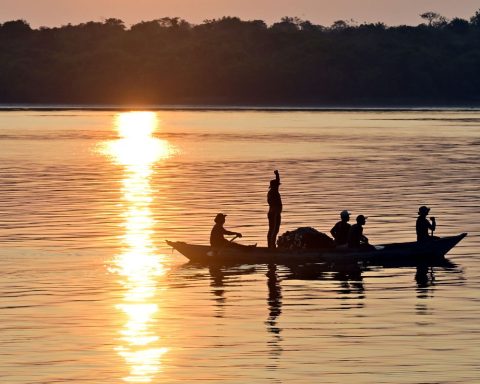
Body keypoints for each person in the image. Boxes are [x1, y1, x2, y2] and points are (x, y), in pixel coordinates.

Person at [267, 170, 282, 249]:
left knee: (274, 229)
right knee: (273, 229)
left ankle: (271, 245)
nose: (278, 186)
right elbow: (277, 181)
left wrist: (277, 175)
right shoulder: (273, 191)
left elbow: (277, 182)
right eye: (277, 185)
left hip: (274, 212)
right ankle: (271, 246)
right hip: (274, 213)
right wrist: (277, 174)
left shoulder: (272, 191)